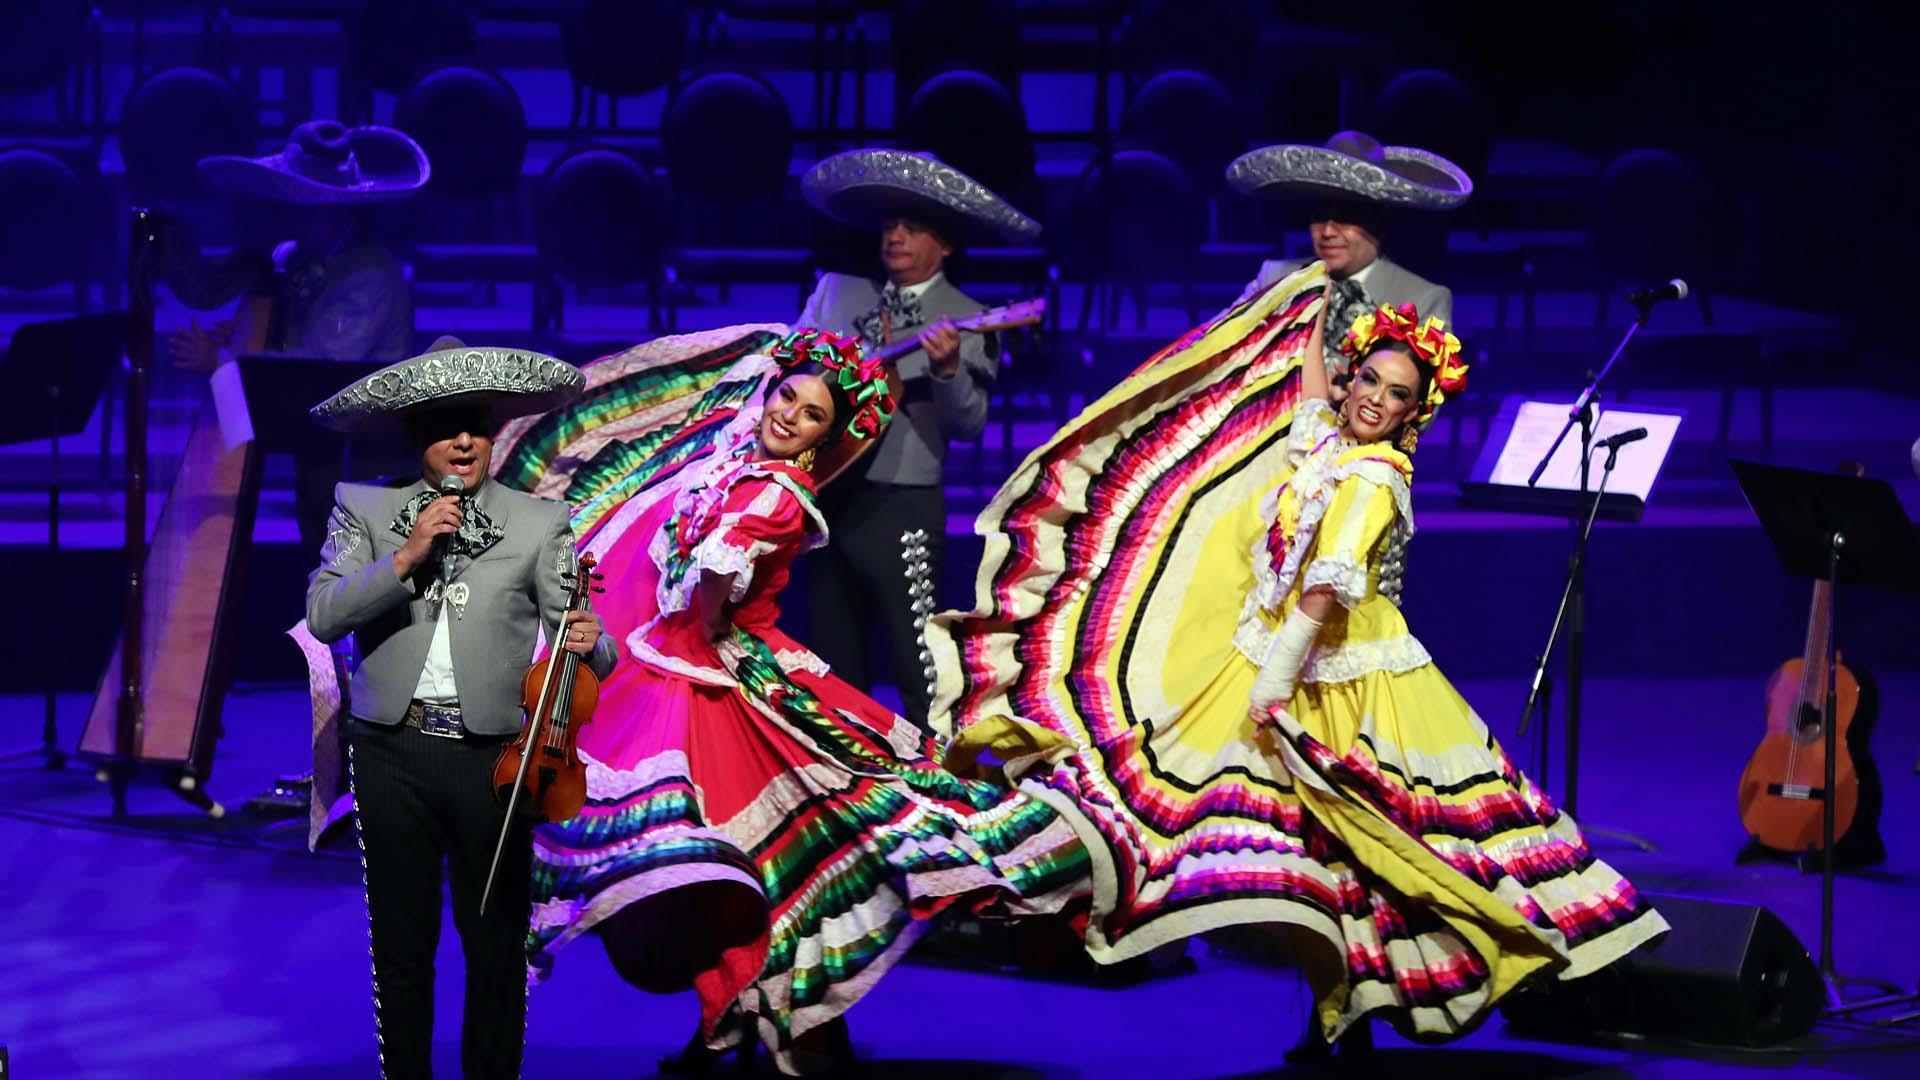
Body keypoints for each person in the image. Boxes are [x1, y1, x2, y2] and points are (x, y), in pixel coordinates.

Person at [930, 270, 1669, 1059]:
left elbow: (1322, 592)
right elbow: (1314, 397)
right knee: (1296, 848)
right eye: (1371, 381)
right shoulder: (1329, 442)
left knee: (1371, 847)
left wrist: (1272, 686)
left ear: (1415, 414)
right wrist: (1308, 305)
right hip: (1285, 655)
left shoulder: (1376, 478)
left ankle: (1372, 1005)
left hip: (1346, 678)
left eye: (1398, 396)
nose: (1375, 401)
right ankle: (1335, 1012)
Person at [523, 329, 1088, 1076]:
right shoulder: (739, 461)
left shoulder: (775, 494)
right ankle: (745, 1027)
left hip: (723, 679)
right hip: (697, 673)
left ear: (826, 438)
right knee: (721, 869)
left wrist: (708, 619)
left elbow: (709, 603)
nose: (789, 415)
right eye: (788, 396)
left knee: (763, 864)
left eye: (812, 414)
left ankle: (798, 1032)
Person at [304, 340, 617, 1080]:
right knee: (403, 949)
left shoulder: (541, 521)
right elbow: (323, 616)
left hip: (492, 762)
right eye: (448, 427)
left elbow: (588, 648)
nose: (466, 440)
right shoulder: (367, 508)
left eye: (476, 424)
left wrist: (591, 642)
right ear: (421, 439)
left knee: (494, 945)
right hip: (391, 754)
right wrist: (405, 558)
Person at [792, 148, 1041, 728]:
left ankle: (937, 785)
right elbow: (788, 375)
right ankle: (844, 792)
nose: (896, 236)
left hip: (903, 506)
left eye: (913, 227)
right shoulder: (837, 294)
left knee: (921, 666)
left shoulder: (970, 316)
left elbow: (969, 426)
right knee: (830, 667)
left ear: (947, 244)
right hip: (826, 499)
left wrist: (949, 372)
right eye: (890, 226)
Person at [167, 119, 425, 552]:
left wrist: (222, 361)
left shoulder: (370, 277)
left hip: (361, 457)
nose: (286, 213)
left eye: (298, 203)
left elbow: (321, 371)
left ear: (331, 210)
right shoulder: (311, 257)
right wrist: (246, 330)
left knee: (335, 561)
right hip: (325, 447)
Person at [1226, 131, 1467, 399]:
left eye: (1345, 217)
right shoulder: (1276, 277)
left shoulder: (1421, 299)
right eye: (1319, 217)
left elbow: (1421, 406)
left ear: (1379, 224)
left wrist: (1352, 402)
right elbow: (1223, 355)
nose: (1328, 231)